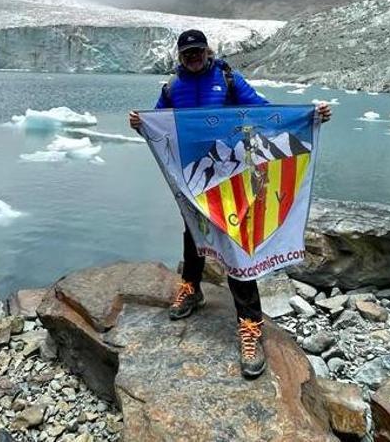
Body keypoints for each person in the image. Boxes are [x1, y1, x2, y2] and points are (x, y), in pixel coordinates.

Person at [128, 29, 332, 379]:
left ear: (208, 51)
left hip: (230, 175)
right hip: (193, 178)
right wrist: (140, 124)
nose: (193, 58)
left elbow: (264, 112)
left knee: (237, 244)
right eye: (187, 54)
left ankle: (251, 324)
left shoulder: (227, 78)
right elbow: (160, 125)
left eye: (197, 51)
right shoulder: (171, 89)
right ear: (180, 57)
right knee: (193, 233)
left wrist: (309, 117)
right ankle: (192, 289)